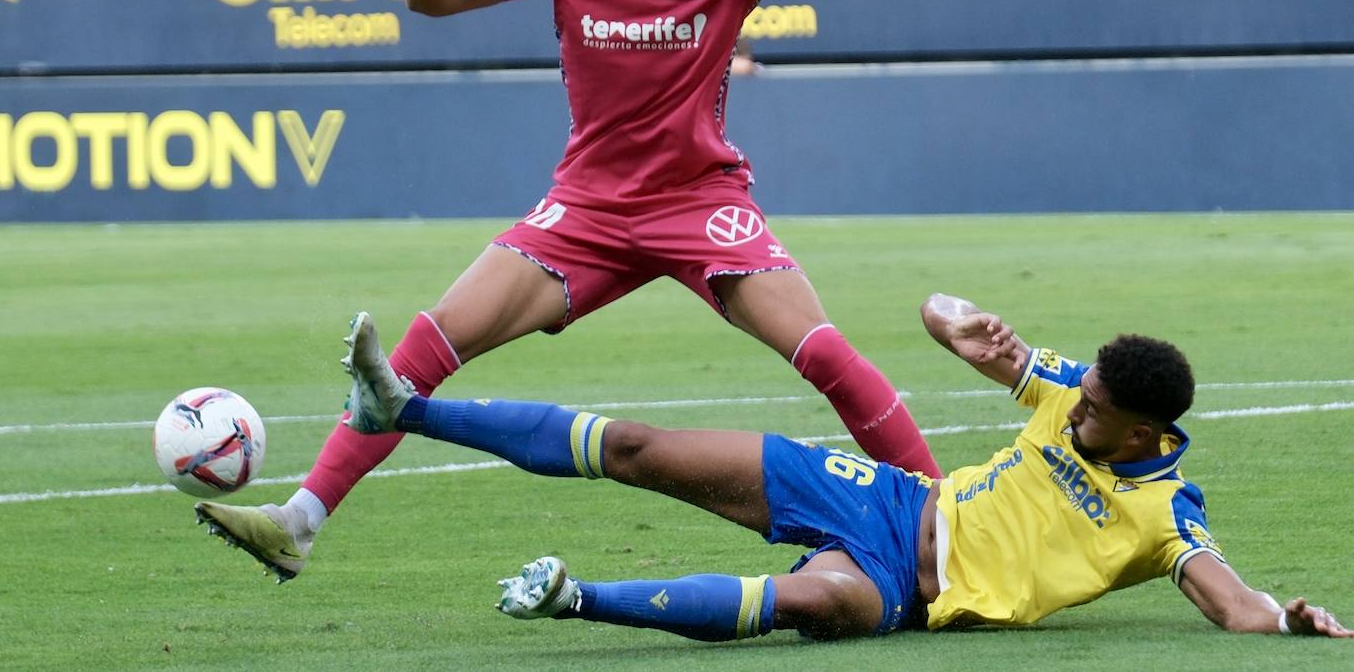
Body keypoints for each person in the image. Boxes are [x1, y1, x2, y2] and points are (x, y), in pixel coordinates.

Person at [195, 0, 940, 584]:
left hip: (699, 203)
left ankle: (949, 523)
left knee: (824, 353)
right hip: (587, 209)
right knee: (429, 341)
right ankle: (299, 522)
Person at [203, 302, 1353, 641]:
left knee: (812, 605)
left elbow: (1231, 603)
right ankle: (404, 407)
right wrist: (980, 335)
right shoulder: (1070, 390)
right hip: (887, 498)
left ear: (1145, 430)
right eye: (1080, 392)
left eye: (1096, 409)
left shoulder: (1164, 510)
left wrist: (1294, 620)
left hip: (913, 592)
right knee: (648, 452)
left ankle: (571, 598)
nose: (1074, 408)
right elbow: (945, 317)